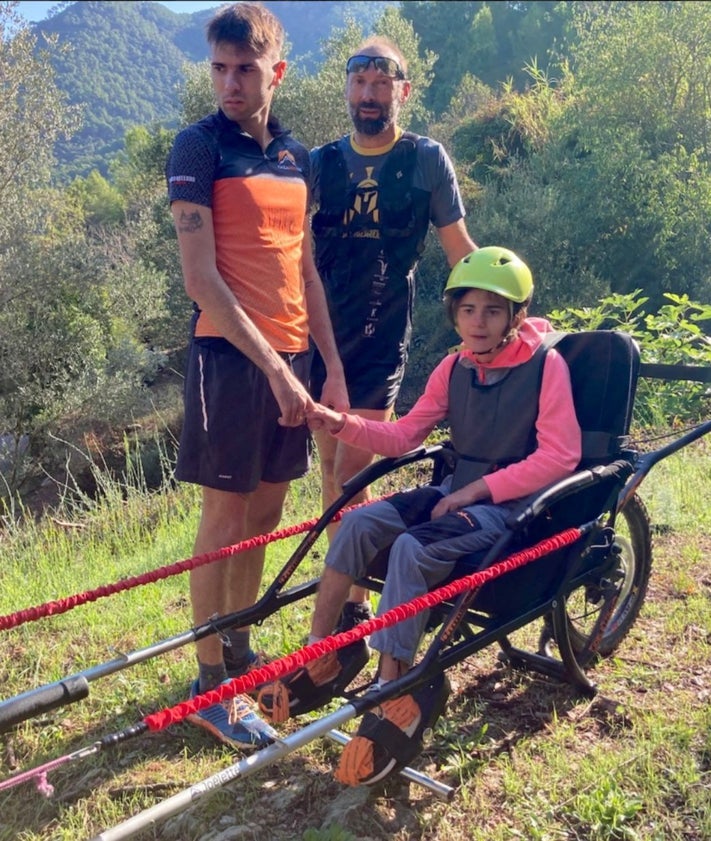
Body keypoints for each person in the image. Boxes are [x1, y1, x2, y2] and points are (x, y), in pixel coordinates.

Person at [258, 246, 582, 785]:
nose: (478, 323)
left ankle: (396, 687)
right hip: (456, 490)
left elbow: (560, 456)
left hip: (512, 507)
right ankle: (324, 650)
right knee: (358, 521)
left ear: (515, 316)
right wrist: (338, 422)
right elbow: (406, 434)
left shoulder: (546, 366)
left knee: (413, 548)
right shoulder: (454, 366)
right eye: (468, 310)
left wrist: (479, 489)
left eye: (493, 311)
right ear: (454, 312)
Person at [165, 2, 348, 751]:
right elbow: (202, 280)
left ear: (276, 70)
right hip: (229, 360)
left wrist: (329, 367)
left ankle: (240, 650)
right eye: (218, 68)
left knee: (268, 516)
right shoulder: (196, 146)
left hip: (294, 360)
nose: (229, 83)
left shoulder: (293, 156)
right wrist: (276, 372)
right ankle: (209, 683)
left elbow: (303, 266)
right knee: (224, 523)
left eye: (245, 68)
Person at [308, 35, 478, 632]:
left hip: (380, 334)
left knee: (350, 473)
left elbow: (460, 251)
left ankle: (352, 608)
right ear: (348, 88)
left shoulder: (425, 159)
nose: (370, 95)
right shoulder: (319, 163)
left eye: (382, 84)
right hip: (315, 338)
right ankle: (353, 587)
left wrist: (505, 308)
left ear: (402, 91)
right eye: (360, 82)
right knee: (332, 475)